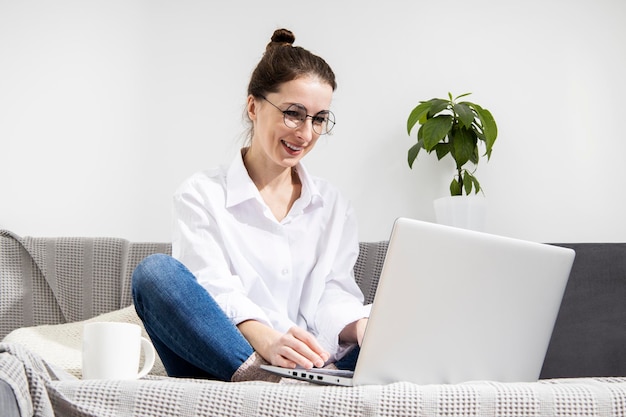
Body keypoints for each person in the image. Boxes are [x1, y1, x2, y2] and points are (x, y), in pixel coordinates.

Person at [131, 28, 370, 382]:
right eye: (294, 113)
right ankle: (268, 380)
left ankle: (304, 382)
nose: (305, 133)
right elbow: (212, 289)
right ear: (253, 106)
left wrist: (362, 327)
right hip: (228, 357)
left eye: (318, 119)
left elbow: (333, 295)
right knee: (154, 275)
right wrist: (268, 342)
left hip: (317, 363)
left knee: (390, 320)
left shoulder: (333, 205)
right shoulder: (200, 195)